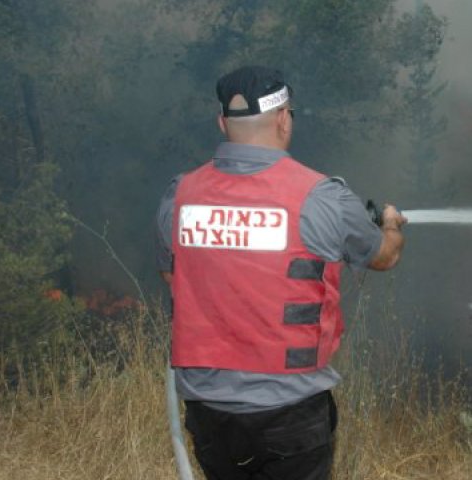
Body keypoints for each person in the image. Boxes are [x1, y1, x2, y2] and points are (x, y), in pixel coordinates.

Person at [155, 65, 406, 480]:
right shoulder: (321, 197)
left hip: (209, 409)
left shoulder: (178, 194)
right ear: (284, 118)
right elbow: (383, 256)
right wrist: (392, 223)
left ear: (222, 123)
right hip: (290, 409)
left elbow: (174, 278)